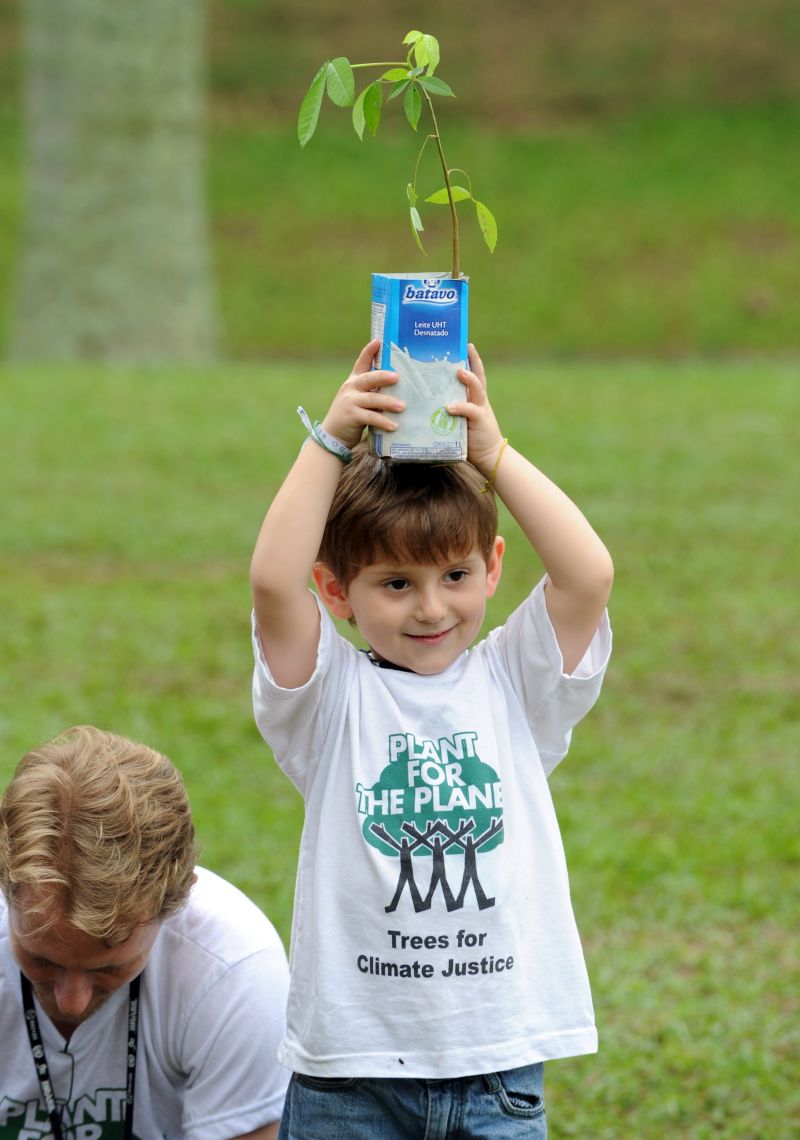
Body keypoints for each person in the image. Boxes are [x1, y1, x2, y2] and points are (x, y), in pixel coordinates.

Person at [249, 340, 614, 1139]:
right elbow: (272, 580)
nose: (430, 609)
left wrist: (495, 454)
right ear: (336, 590)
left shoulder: (514, 682)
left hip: (497, 1070)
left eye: (454, 575)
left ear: (493, 568)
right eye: (395, 583)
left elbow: (587, 574)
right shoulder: (329, 698)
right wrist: (331, 438)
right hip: (350, 1080)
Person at [0, 724, 290, 1140]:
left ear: (176, 901)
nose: (72, 1001)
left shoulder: (235, 969)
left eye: (109, 968)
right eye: (41, 959)